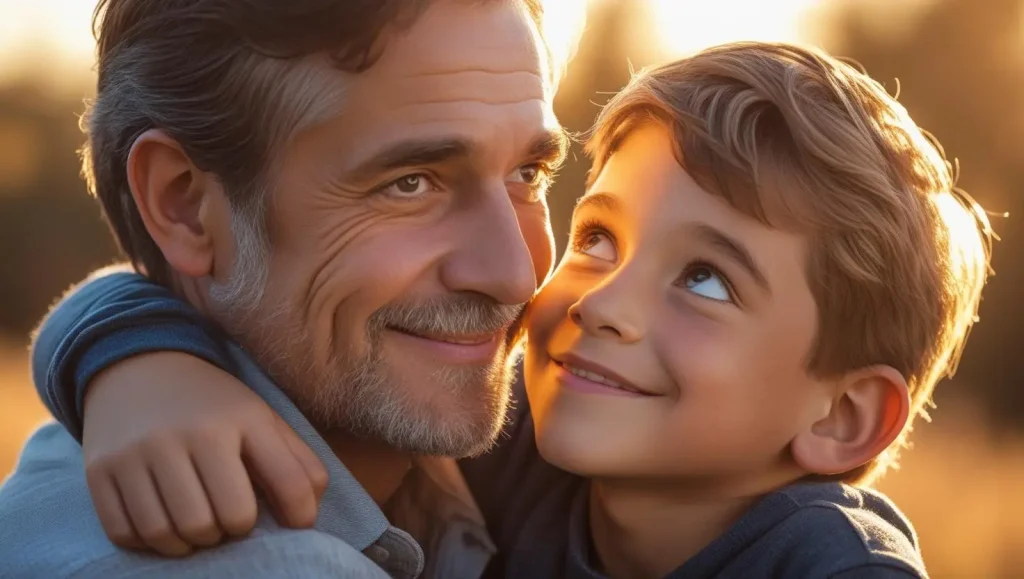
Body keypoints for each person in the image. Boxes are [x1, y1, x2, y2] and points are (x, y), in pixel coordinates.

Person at [14, 41, 994, 578]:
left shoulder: (827, 563)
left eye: (705, 280)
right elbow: (125, 289)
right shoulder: (526, 445)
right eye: (598, 237)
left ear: (842, 416)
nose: (599, 300)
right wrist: (142, 362)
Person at [0, 0, 575, 577]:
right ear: (184, 204)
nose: (517, 274)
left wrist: (121, 342)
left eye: (528, 174)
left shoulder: (521, 458)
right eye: (410, 183)